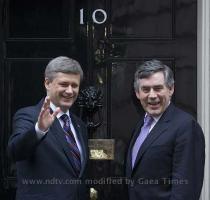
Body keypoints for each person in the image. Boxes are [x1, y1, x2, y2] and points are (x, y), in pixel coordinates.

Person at [8, 56, 89, 200]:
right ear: (47, 83)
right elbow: (16, 152)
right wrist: (39, 130)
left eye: (74, 85)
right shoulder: (28, 116)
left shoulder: (79, 125)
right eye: (64, 84)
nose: (70, 91)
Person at [126, 59, 205, 200]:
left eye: (158, 88)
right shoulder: (141, 125)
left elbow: (186, 190)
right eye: (145, 89)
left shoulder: (186, 126)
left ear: (171, 89)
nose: (152, 95)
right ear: (137, 93)